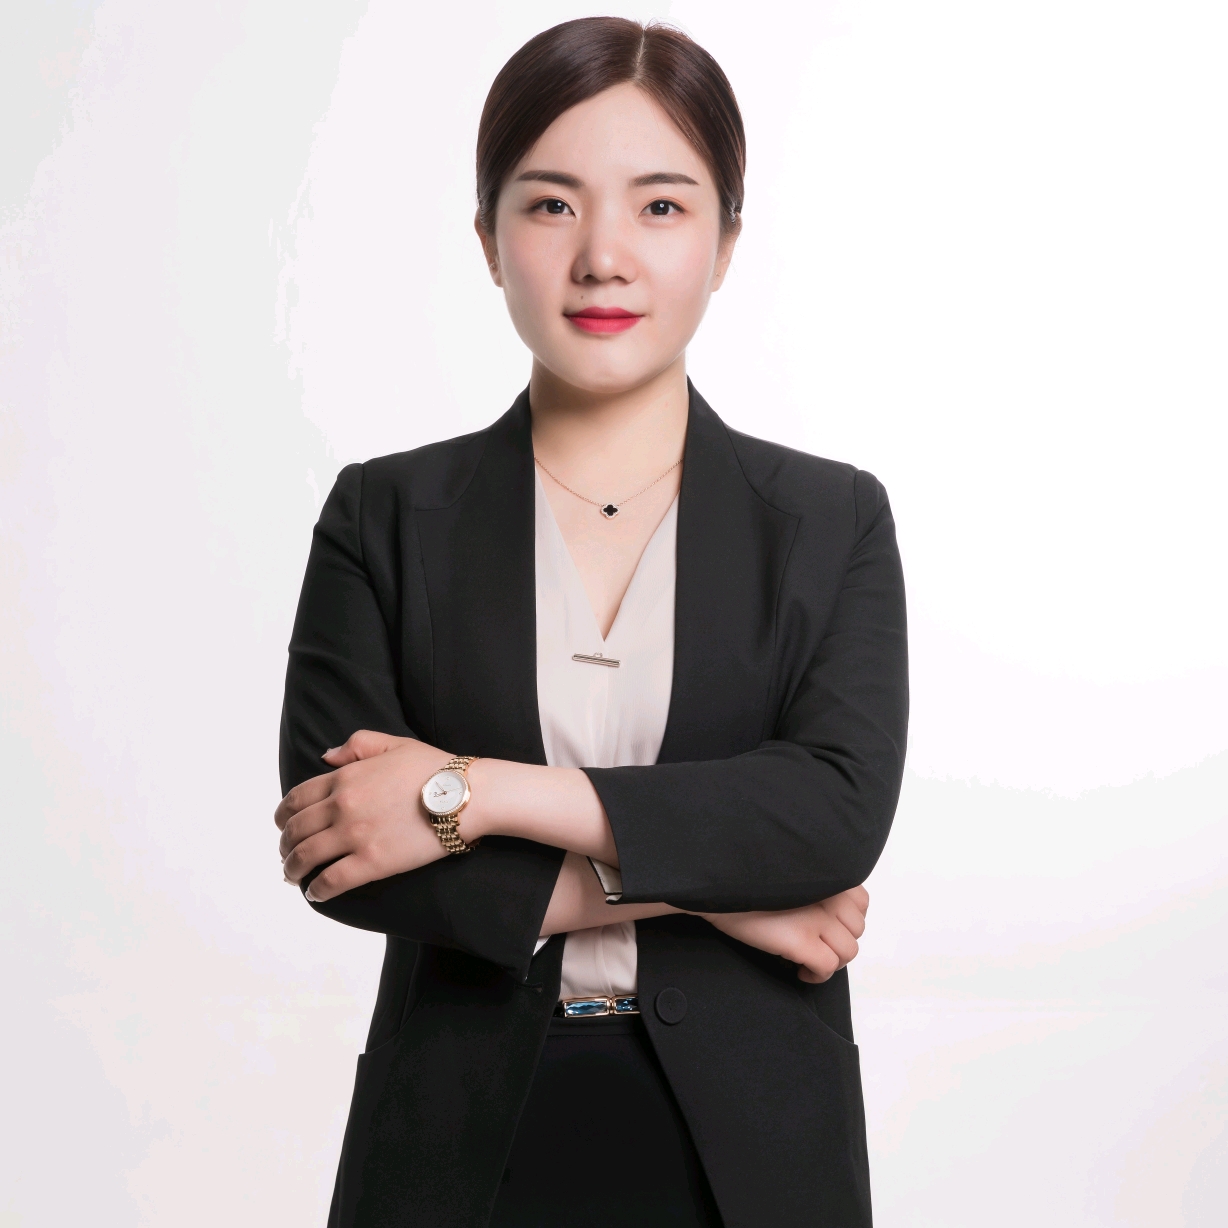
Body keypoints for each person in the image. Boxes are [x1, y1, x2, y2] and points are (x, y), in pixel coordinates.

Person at [275, 17, 907, 1228]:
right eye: (551, 205)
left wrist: (474, 793)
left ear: (725, 244)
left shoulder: (829, 521)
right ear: (487, 239)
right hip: (452, 1152)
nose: (603, 257)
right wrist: (728, 894)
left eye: (660, 206)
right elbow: (342, 849)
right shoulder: (384, 513)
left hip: (755, 1158)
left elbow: (832, 813)